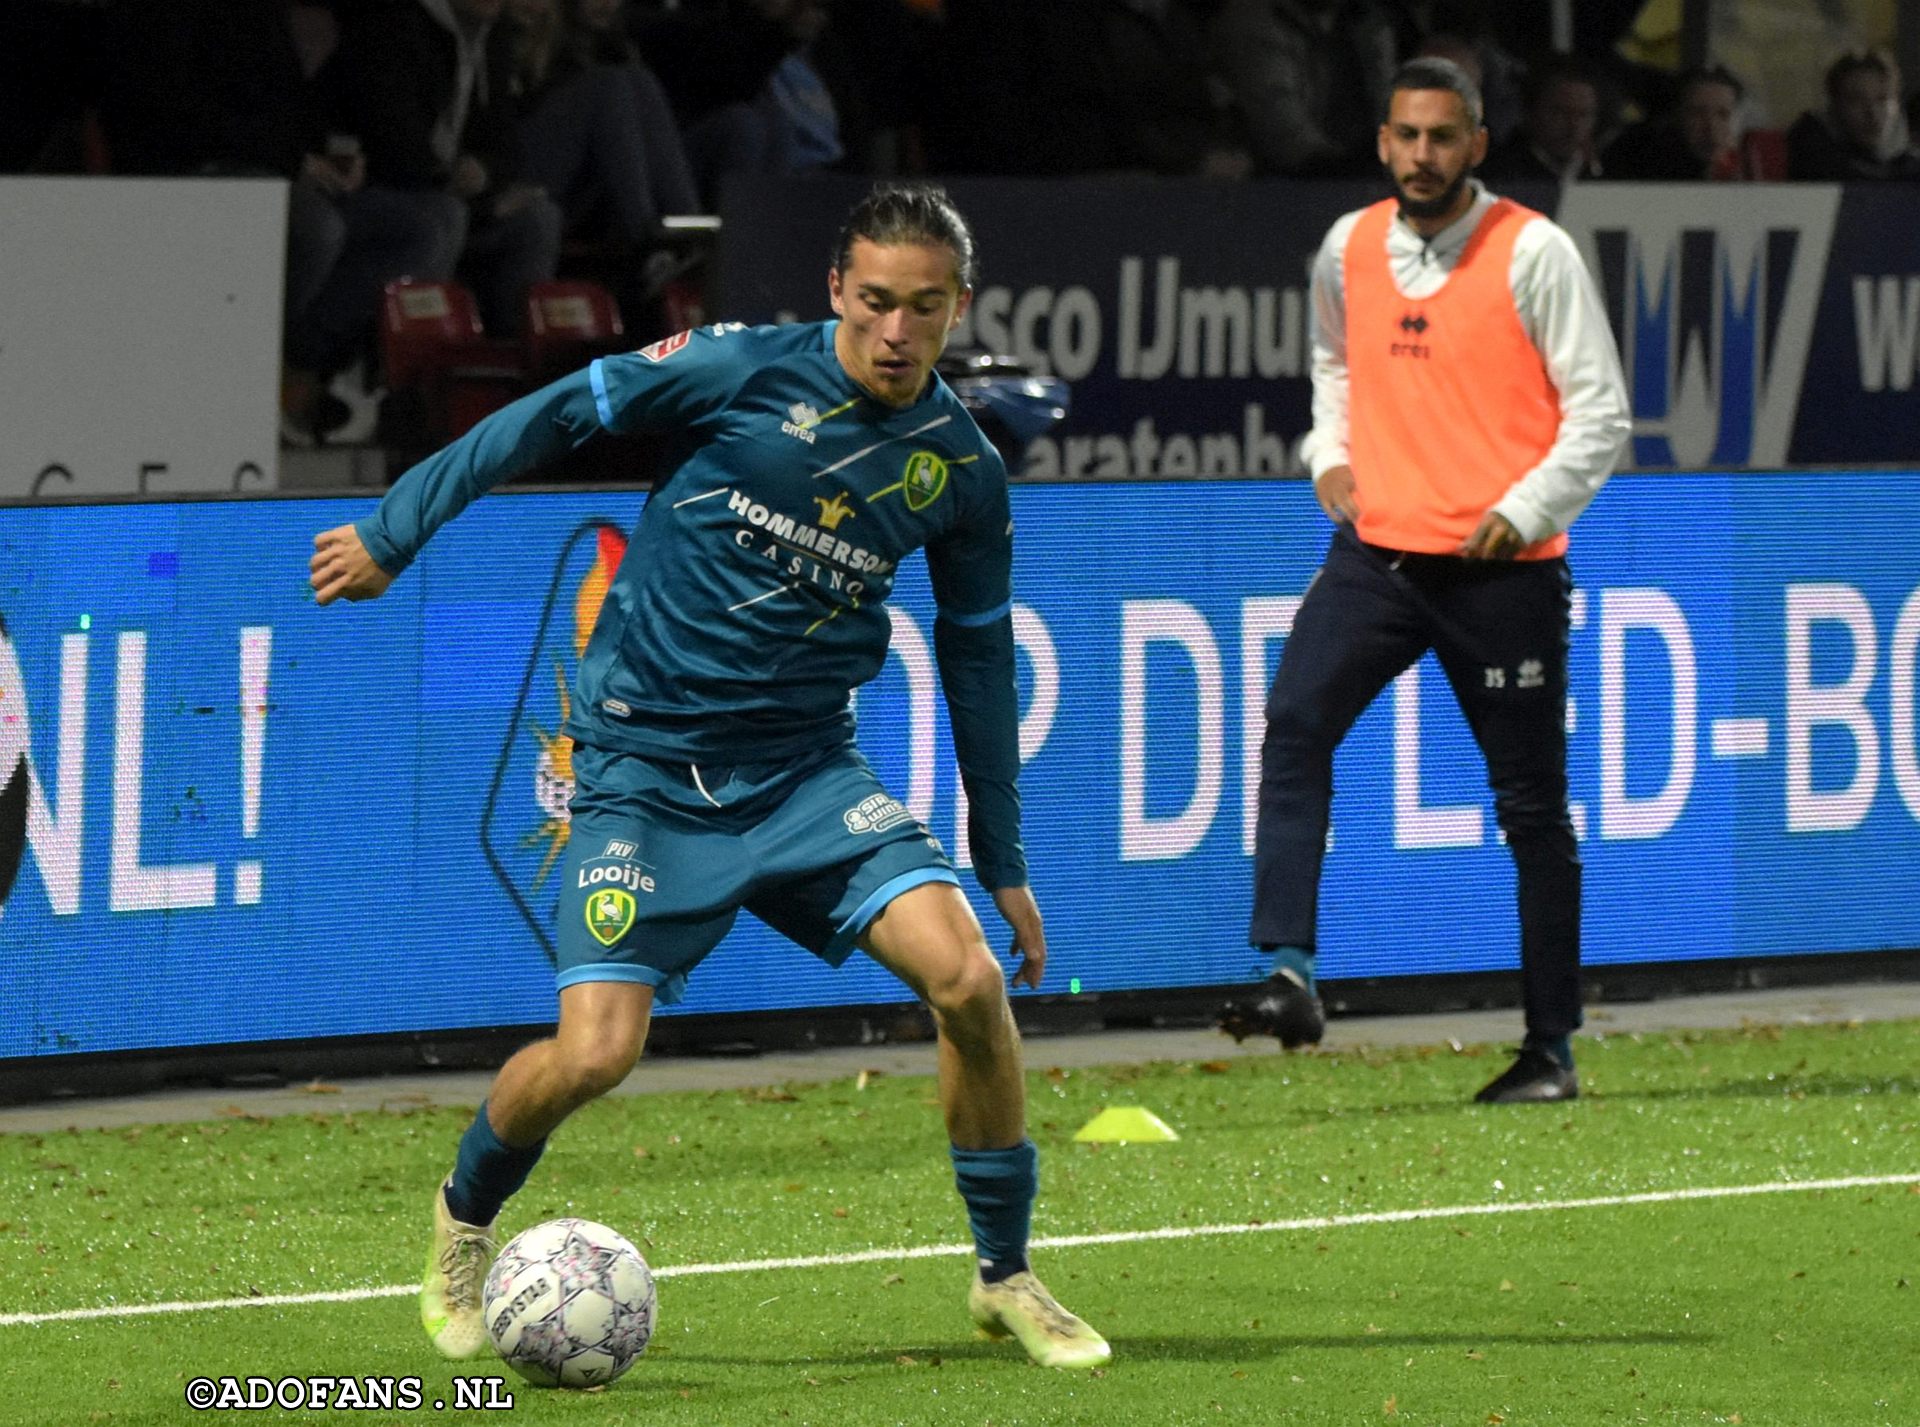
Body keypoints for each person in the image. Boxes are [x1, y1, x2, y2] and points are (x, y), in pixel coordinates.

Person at [308, 182, 1111, 1371]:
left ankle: (1006, 1276)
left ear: (961, 309)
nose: (896, 332)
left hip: (803, 777)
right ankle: (463, 1220)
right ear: (838, 289)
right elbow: (544, 417)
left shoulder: (960, 467)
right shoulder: (737, 368)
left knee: (970, 981)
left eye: (924, 310)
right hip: (642, 771)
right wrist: (396, 525)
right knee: (596, 1053)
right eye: (876, 302)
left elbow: (979, 657)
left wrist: (1004, 859)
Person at [1217, 58, 1630, 1104]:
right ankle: (1287, 971)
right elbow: (1333, 364)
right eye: (1405, 135)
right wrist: (1327, 455)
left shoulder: (1533, 251)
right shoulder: (1347, 247)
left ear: (1478, 144)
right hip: (1381, 557)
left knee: (1532, 807)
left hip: (1501, 573)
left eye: (1443, 137)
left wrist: (1523, 512)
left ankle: (1550, 1047)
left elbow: (1601, 414)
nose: (1422, 155)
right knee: (1295, 721)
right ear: (1382, 140)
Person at [1786, 49, 1920, 181]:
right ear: (1836, 106)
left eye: (1882, 99)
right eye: (1856, 100)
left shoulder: (1906, 164)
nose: (1872, 113)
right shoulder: (1811, 149)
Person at [1480, 56, 1606, 184]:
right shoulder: (1499, 173)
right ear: (1530, 111)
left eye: (1583, 114)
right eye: (1560, 112)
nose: (1573, 125)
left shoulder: (1606, 171)